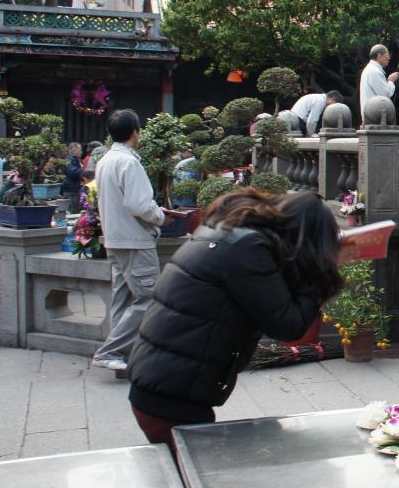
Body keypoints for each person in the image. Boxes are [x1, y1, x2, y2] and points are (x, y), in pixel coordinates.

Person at [128, 189, 341, 448]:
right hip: (170, 395)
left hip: (162, 382)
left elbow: (269, 295)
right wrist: (324, 272)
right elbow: (288, 325)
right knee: (207, 470)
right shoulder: (247, 249)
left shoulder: (231, 232)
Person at [91, 110, 171, 374]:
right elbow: (139, 204)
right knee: (150, 298)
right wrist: (160, 216)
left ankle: (121, 358)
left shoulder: (105, 160)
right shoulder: (128, 162)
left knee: (123, 300)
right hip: (135, 239)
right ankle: (110, 352)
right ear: (136, 132)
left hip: (115, 238)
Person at [359, 44, 399, 119]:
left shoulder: (370, 69)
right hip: (374, 118)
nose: (389, 58)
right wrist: (391, 81)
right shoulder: (375, 71)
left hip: (371, 116)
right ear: (379, 56)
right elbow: (385, 95)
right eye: (387, 55)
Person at [62, 142, 84, 214]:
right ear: (74, 150)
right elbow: (73, 173)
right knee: (72, 212)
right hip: (71, 190)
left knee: (75, 210)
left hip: (75, 188)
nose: (81, 152)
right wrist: (84, 171)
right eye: (80, 150)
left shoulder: (76, 160)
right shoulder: (69, 160)